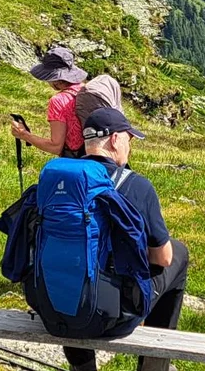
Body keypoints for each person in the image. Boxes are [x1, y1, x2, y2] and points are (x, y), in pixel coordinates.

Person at [63, 108, 189, 371]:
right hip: (113, 316)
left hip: (59, 308)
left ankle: (83, 367)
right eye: (129, 140)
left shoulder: (60, 180)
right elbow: (163, 258)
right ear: (114, 139)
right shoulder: (137, 186)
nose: (129, 147)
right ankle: (153, 364)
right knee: (178, 253)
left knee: (74, 274)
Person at [12, 46, 88, 158]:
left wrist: (23, 134)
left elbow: (55, 147)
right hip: (104, 160)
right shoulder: (88, 90)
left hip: (77, 161)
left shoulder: (58, 101)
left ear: (54, 79)